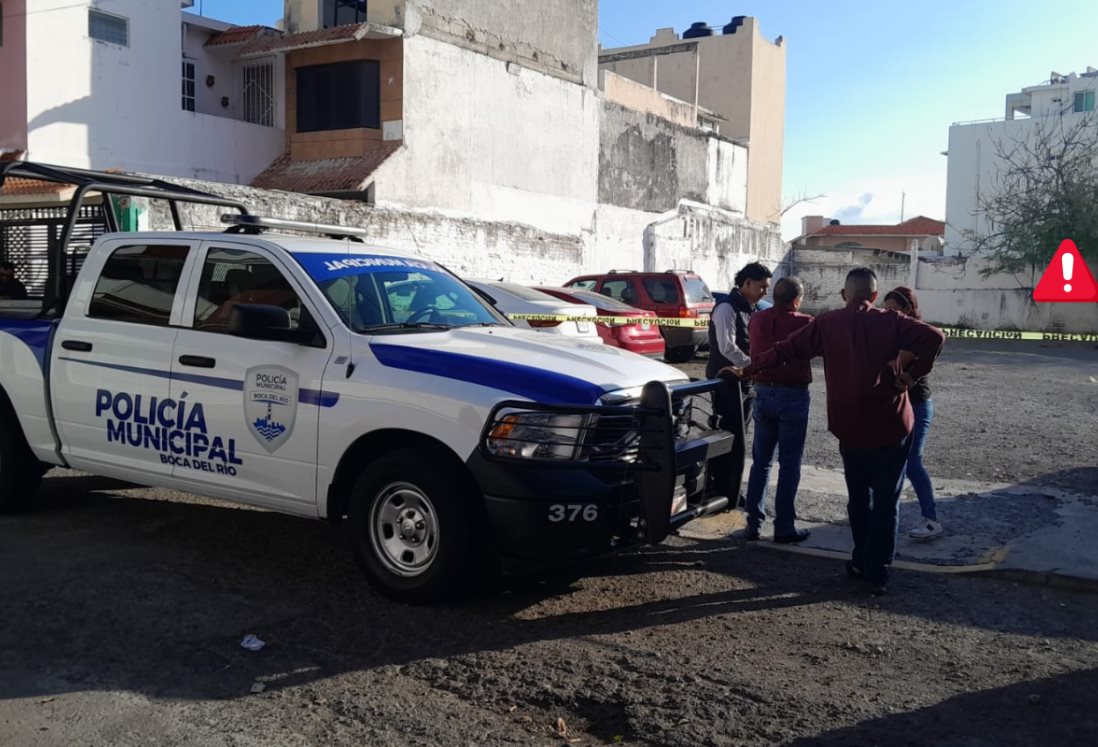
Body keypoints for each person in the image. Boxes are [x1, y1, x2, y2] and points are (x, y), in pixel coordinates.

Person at [725, 268, 944, 595]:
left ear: (844, 294)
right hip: (892, 426)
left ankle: (859, 560)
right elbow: (935, 336)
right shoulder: (892, 321)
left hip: (851, 428)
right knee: (886, 502)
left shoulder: (826, 324)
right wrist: (912, 375)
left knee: (858, 500)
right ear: (873, 296)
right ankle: (877, 573)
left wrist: (746, 370)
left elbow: (783, 350)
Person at [742, 277, 814, 543]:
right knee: (789, 464)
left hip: (762, 392)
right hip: (793, 395)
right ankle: (783, 526)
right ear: (797, 299)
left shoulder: (758, 319)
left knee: (761, 462)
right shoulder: (805, 323)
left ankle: (753, 523)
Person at [706, 262, 771, 504]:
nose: (765, 292)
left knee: (739, 436)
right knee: (729, 436)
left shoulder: (750, 308)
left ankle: (729, 488)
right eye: (762, 287)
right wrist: (754, 365)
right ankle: (722, 489)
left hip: (742, 380)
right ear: (747, 283)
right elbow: (727, 347)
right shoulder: (726, 308)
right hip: (725, 381)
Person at [882, 286, 943, 541]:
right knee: (888, 461)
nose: (887, 314)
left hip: (916, 404)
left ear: (907, 309)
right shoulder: (894, 331)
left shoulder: (916, 334)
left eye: (893, 310)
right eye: (884, 310)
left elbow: (895, 361)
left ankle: (931, 519)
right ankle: (881, 515)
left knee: (912, 462)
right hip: (896, 404)